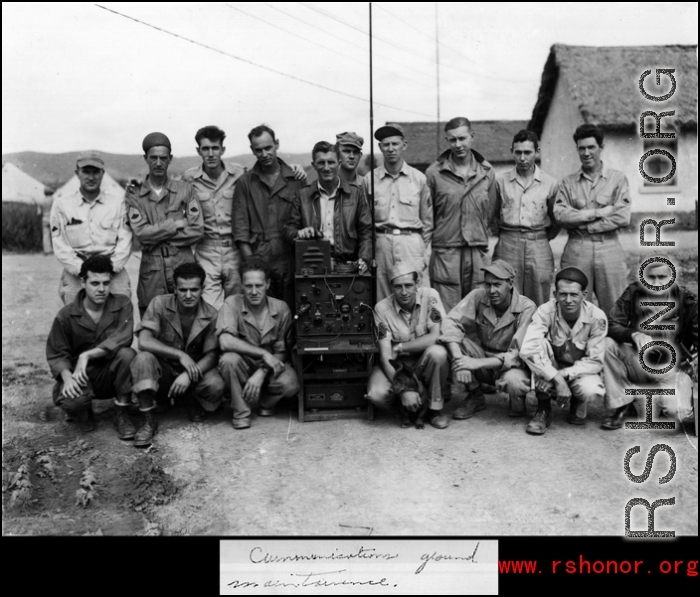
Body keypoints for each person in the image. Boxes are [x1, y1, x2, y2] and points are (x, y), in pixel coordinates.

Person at [130, 262, 225, 447]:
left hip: (192, 373)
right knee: (142, 359)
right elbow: (144, 341)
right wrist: (180, 355)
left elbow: (212, 355)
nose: (188, 295)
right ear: (175, 288)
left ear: (203, 289)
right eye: (183, 290)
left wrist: (188, 375)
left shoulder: (212, 314)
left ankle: (188, 398)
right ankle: (148, 419)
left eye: (194, 290)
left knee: (215, 384)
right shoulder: (159, 303)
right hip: (164, 371)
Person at [46, 255, 136, 437]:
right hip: (80, 376)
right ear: (83, 282)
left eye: (106, 283)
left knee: (127, 354)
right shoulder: (66, 315)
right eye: (95, 283)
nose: (101, 289)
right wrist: (67, 376)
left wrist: (86, 356)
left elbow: (123, 337)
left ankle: (121, 413)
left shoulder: (122, 304)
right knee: (73, 403)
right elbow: (57, 353)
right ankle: (82, 412)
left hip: (110, 372)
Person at [601, 260, 697, 429]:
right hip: (639, 362)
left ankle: (662, 399)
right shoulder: (633, 292)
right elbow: (612, 323)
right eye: (650, 277)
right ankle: (623, 405)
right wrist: (632, 334)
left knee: (676, 413)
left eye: (662, 277)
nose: (656, 283)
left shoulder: (687, 300)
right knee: (607, 345)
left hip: (673, 369)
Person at [439, 260, 537, 420]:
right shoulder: (479, 296)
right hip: (483, 357)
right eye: (488, 284)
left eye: (497, 284)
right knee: (451, 341)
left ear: (510, 283)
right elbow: (450, 322)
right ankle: (475, 395)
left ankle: (518, 400)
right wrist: (460, 359)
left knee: (515, 382)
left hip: (510, 366)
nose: (491, 290)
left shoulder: (527, 308)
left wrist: (475, 363)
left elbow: (519, 354)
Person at [553, 123, 632, 316]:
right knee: (573, 308)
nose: (586, 153)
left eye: (591, 147)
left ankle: (614, 346)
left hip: (609, 248)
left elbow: (622, 216)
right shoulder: (568, 183)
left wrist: (581, 222)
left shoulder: (617, 179)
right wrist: (595, 213)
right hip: (577, 250)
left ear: (601, 147)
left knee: (616, 308)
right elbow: (560, 215)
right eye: (581, 148)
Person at [519, 267, 607, 435]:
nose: (568, 300)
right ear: (555, 294)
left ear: (585, 295)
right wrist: (556, 377)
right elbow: (528, 349)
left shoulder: (597, 317)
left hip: (576, 373)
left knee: (591, 389)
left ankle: (577, 401)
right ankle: (543, 409)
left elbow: (595, 361)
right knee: (539, 347)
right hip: (550, 368)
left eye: (574, 294)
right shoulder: (545, 311)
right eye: (563, 294)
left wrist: (563, 375)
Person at [124, 132, 203, 316]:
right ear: (146, 158)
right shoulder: (134, 195)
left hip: (182, 263)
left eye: (163, 158)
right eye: (153, 158)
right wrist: (175, 224)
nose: (158, 163)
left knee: (188, 316)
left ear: (170, 159)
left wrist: (156, 237)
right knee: (153, 317)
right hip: (152, 269)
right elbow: (141, 234)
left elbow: (197, 230)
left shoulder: (185, 190)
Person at [217, 258, 299, 430]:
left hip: (269, 368)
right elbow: (225, 341)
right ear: (241, 285)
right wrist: (263, 354)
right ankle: (241, 411)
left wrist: (261, 373)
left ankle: (264, 402)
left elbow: (282, 350)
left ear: (268, 284)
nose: (254, 291)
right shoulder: (231, 303)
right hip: (243, 365)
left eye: (259, 286)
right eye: (248, 286)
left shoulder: (281, 308)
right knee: (228, 359)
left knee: (290, 383)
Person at [367, 262, 450, 429]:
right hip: (399, 367)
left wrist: (400, 347)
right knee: (376, 394)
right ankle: (406, 405)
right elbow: (385, 357)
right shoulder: (382, 308)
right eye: (398, 287)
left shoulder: (430, 296)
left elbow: (435, 336)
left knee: (438, 353)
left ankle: (434, 410)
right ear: (391, 287)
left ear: (417, 283)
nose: (404, 292)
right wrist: (404, 390)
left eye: (408, 286)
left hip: (423, 362)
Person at [425, 117, 496, 312]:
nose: (458, 145)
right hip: (446, 253)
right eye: (452, 140)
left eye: (462, 138)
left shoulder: (487, 172)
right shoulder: (434, 173)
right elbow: (427, 216)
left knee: (478, 308)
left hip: (477, 251)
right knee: (447, 312)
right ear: (447, 140)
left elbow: (490, 213)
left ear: (472, 137)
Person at [233, 125, 306, 307]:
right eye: (258, 150)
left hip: (290, 257)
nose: (264, 154)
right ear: (252, 150)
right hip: (259, 255)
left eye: (268, 148)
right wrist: (252, 264)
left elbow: (306, 220)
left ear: (277, 144)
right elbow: (240, 228)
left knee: (292, 309)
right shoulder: (245, 182)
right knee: (260, 310)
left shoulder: (295, 180)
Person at [50, 151, 132, 304]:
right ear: (77, 173)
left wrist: (111, 268)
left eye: (95, 172)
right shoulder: (62, 204)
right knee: (75, 319)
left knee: (120, 311)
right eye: (86, 172)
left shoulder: (118, 203)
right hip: (77, 270)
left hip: (111, 269)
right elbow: (59, 243)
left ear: (103, 174)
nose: (91, 177)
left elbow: (125, 240)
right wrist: (81, 269)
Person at [363, 123, 433, 301]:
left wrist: (423, 252)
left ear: (404, 145)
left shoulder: (419, 179)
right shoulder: (369, 180)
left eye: (395, 144)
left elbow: (427, 221)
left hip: (411, 244)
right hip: (381, 245)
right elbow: (365, 220)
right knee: (383, 298)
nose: (391, 149)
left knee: (415, 297)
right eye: (386, 145)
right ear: (380, 147)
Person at [491, 130, 560, 306]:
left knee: (539, 295)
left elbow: (556, 219)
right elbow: (492, 216)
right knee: (507, 294)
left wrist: (541, 237)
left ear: (537, 152)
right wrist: (507, 236)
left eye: (527, 152)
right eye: (518, 152)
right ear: (511, 151)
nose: (522, 158)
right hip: (508, 243)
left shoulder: (550, 183)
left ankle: (537, 333)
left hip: (538, 244)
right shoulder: (500, 182)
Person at [284, 141, 372, 274]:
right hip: (312, 265)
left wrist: (364, 258)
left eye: (331, 162)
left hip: (349, 267)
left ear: (339, 163)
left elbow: (366, 231)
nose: (326, 168)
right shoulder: (303, 195)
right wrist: (299, 233)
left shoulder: (356, 194)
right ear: (314, 165)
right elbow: (288, 230)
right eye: (321, 163)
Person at [183, 126, 245, 310]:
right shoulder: (189, 178)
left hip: (234, 250)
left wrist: (295, 168)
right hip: (206, 250)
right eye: (205, 149)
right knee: (210, 308)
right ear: (198, 151)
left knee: (237, 307)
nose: (211, 154)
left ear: (222, 150)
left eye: (215, 148)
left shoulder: (240, 173)